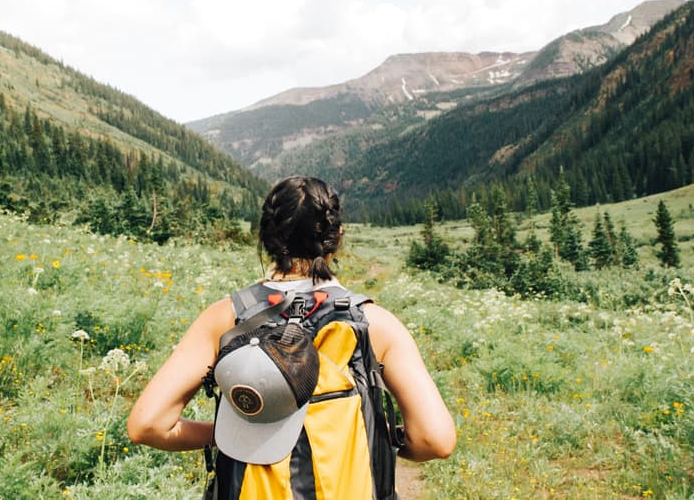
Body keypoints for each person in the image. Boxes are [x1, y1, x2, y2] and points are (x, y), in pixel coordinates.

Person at [128, 176, 455, 498]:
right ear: (337, 238)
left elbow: (148, 425)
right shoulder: (375, 324)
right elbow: (435, 440)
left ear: (267, 239)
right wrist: (378, 437)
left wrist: (225, 435)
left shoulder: (225, 318)